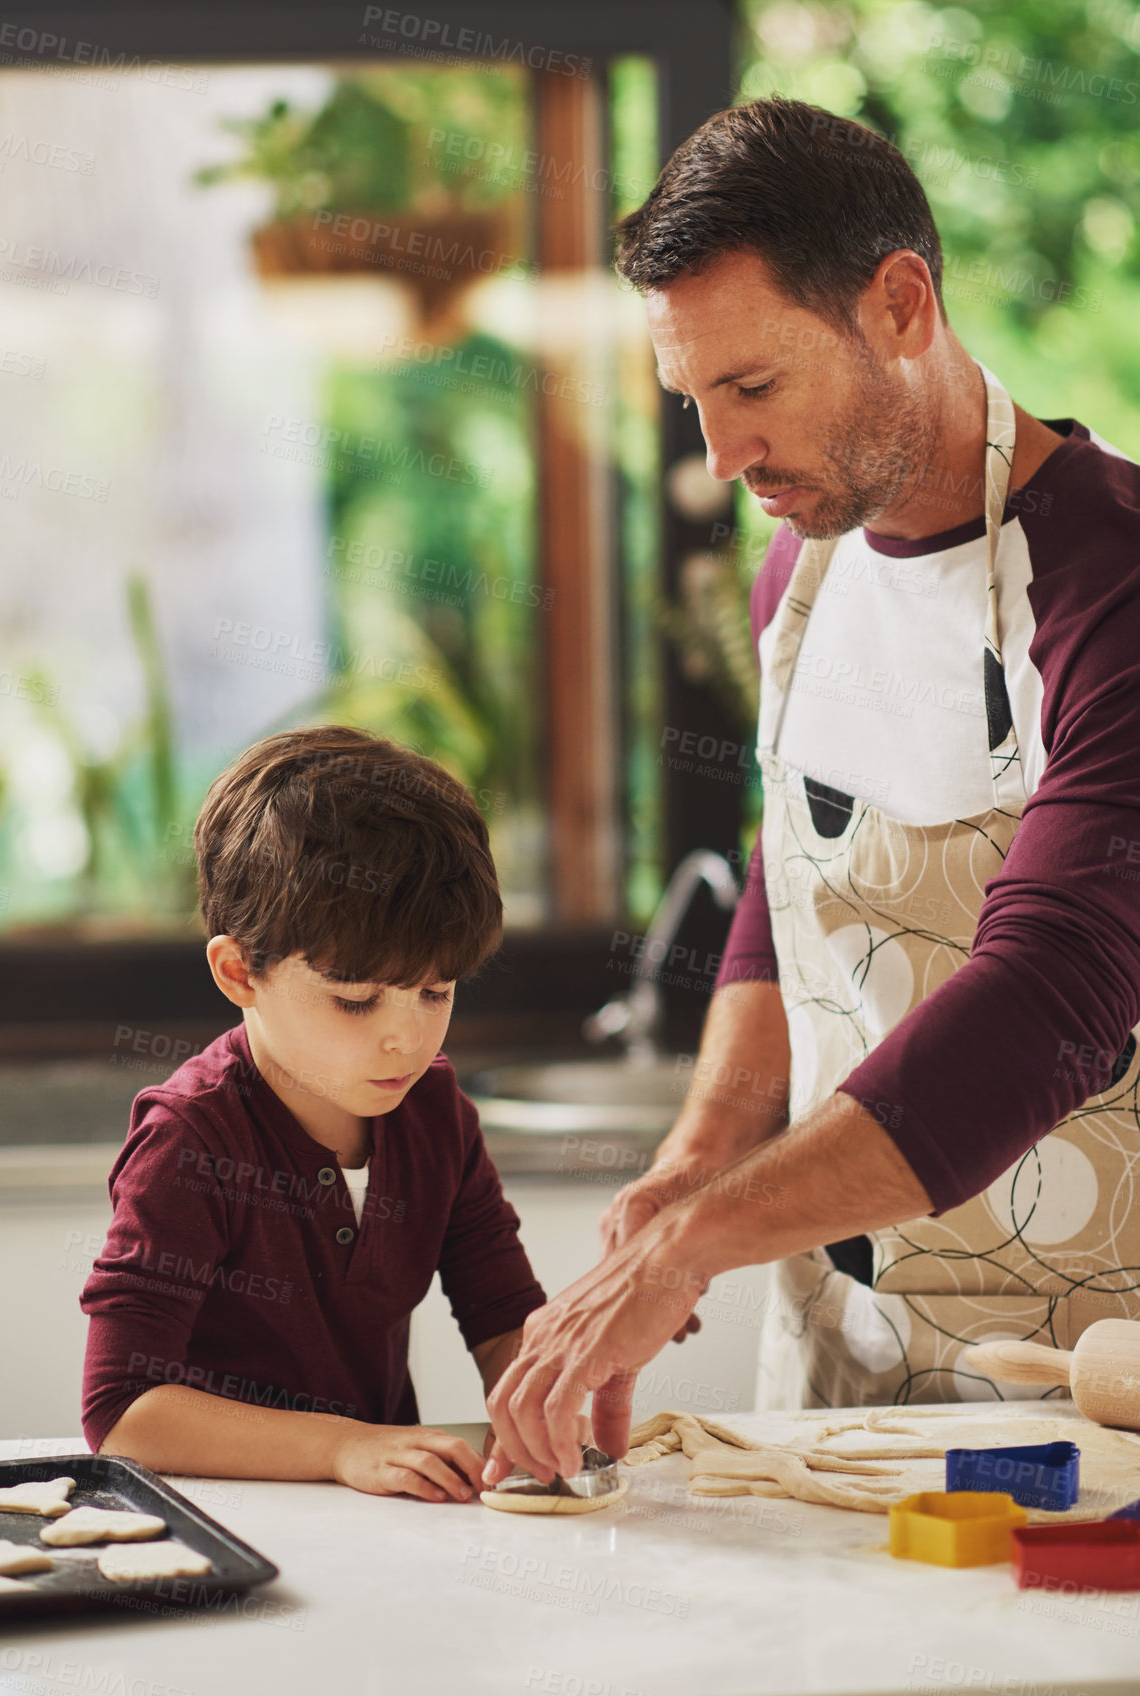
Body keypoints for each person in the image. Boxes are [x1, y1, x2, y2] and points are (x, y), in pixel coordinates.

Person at [483, 95, 1140, 1488]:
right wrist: (697, 1155)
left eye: (754, 388)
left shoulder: (1115, 590)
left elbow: (1054, 998)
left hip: (1091, 1399)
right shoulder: (800, 576)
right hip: (838, 1385)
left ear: (898, 305)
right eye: (691, 401)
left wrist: (683, 1245)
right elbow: (783, 893)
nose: (718, 460)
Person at [80, 725, 546, 1502]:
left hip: (385, 1525)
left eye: (436, 992)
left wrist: (547, 1391)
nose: (407, 1036)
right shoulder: (191, 1139)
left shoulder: (435, 1113)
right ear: (239, 973)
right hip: (228, 1526)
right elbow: (122, 1412)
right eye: (355, 1000)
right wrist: (341, 1448)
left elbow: (503, 1318)